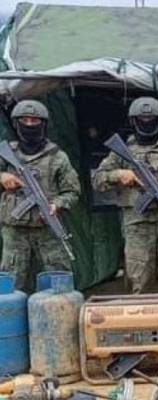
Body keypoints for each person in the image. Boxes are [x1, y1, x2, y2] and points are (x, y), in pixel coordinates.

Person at [93, 96, 158, 293]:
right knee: (138, 281)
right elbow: (97, 180)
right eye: (142, 119)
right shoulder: (121, 153)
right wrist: (119, 175)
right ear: (133, 121)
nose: (146, 123)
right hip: (136, 223)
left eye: (151, 120)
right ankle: (140, 321)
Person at [0, 100, 80, 290]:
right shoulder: (6, 153)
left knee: (58, 281)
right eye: (24, 120)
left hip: (47, 230)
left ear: (43, 124)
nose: (29, 125)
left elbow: (73, 192)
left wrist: (57, 204)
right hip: (14, 231)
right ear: (16, 123)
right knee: (9, 284)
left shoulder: (57, 156)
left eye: (34, 121)